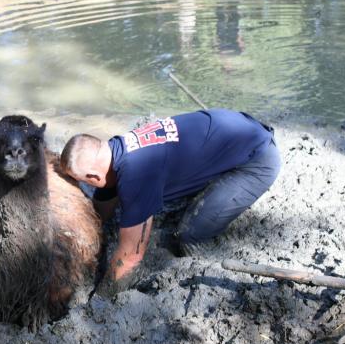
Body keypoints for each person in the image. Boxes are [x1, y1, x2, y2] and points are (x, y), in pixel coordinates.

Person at [59, 109, 281, 295]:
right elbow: (105, 197)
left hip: (258, 160)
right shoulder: (115, 149)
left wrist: (102, 298)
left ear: (94, 178)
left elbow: (130, 258)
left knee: (187, 234)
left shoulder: (136, 176)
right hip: (236, 128)